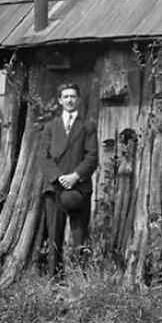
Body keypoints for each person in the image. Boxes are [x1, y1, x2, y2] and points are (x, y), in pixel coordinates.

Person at [39, 82, 98, 279]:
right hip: (55, 187)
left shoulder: (88, 126)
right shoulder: (50, 127)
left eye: (73, 96)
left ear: (79, 100)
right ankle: (55, 278)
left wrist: (75, 176)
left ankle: (80, 278)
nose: (69, 100)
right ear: (59, 100)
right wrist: (58, 178)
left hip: (79, 187)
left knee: (79, 235)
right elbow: (43, 156)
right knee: (54, 234)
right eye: (65, 96)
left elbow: (92, 156)